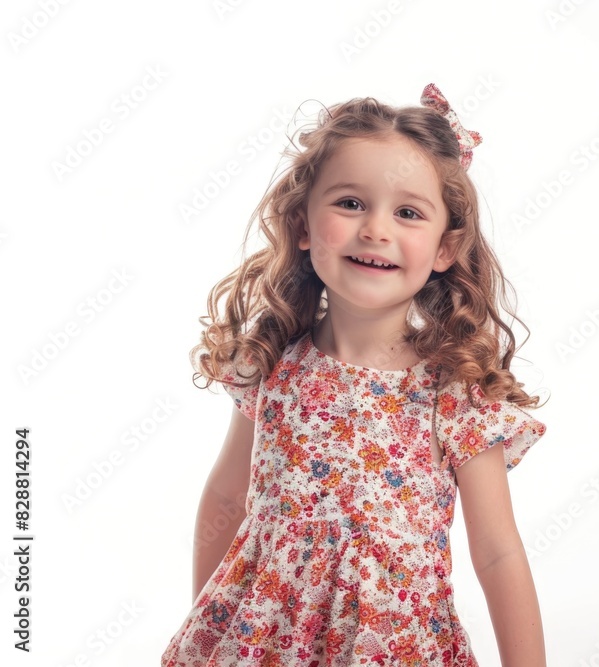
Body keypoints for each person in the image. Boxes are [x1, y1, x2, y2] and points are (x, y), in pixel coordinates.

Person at [160, 83, 549, 667]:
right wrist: (212, 629)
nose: (375, 229)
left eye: (408, 212)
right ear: (302, 224)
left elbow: (496, 552)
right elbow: (226, 495)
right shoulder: (273, 366)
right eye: (349, 203)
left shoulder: (456, 393)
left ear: (446, 248)